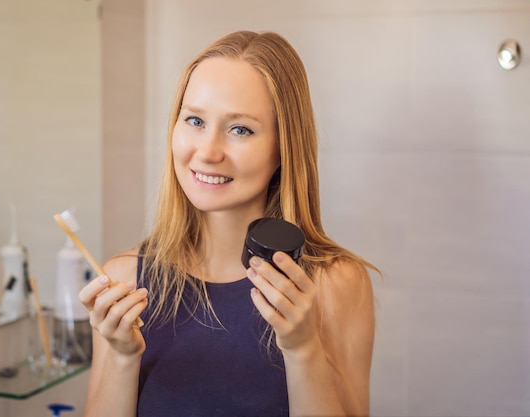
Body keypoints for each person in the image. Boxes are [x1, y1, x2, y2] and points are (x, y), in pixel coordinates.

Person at [79, 30, 377, 417]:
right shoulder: (124, 281)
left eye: (241, 129)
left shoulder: (335, 285)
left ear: (285, 147)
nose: (207, 152)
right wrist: (122, 357)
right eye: (194, 120)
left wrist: (303, 350)